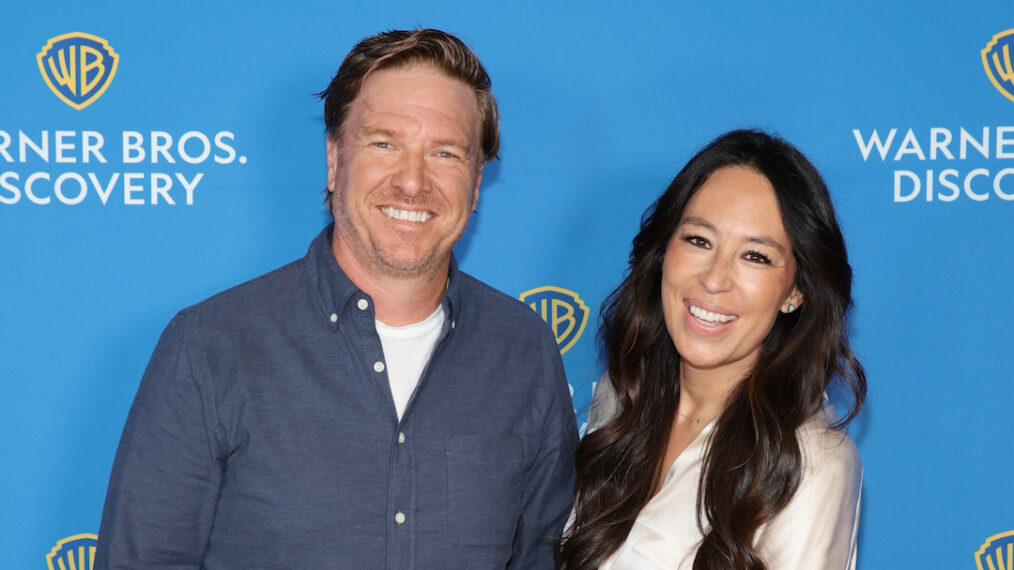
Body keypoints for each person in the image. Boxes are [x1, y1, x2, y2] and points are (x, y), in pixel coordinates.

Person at [95, 28, 577, 569]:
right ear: (334, 159)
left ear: (476, 179)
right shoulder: (212, 347)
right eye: (384, 143)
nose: (413, 183)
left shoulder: (523, 349)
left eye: (444, 152)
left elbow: (540, 558)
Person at [559, 129, 867, 569]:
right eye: (699, 241)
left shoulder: (811, 460)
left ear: (795, 291)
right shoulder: (621, 398)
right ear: (664, 250)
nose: (715, 279)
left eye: (755, 256)